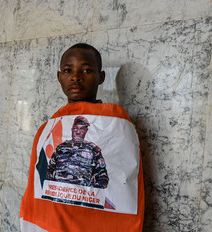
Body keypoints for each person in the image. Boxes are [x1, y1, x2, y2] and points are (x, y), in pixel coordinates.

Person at [20, 43, 144, 232]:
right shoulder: (48, 129)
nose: (76, 77)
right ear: (59, 77)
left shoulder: (115, 127)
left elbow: (121, 186)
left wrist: (86, 195)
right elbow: (40, 181)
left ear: (101, 77)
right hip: (52, 223)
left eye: (86, 70)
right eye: (68, 70)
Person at [46, 115, 109, 188]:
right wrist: (53, 187)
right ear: (71, 129)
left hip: (83, 197)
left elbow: (102, 177)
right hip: (60, 195)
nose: (78, 132)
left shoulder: (93, 149)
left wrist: (91, 192)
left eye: (82, 129)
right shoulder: (61, 147)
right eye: (75, 128)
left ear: (86, 131)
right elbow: (49, 170)